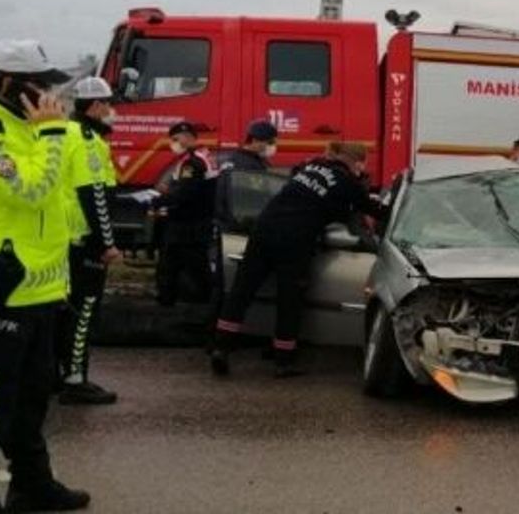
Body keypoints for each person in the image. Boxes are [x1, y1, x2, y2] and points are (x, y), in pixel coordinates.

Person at [0, 39, 90, 513]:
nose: (51, 95)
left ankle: (31, 484)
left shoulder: (24, 128)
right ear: (8, 84)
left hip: (39, 290)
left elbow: (56, 203)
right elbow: (29, 191)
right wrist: (52, 135)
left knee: (30, 402)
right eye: (41, 85)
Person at [210, 141, 378, 378]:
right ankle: (283, 361)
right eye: (363, 163)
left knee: (241, 291)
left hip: (264, 230)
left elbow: (299, 179)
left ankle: (221, 348)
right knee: (289, 300)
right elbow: (368, 209)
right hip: (294, 241)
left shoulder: (312, 166)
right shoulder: (348, 183)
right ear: (357, 162)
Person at [56, 77, 122, 406]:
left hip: (62, 237)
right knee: (83, 312)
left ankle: (59, 373)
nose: (111, 111)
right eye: (108, 104)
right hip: (84, 240)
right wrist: (107, 243)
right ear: (95, 106)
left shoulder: (64, 133)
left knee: (64, 310)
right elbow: (93, 195)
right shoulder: (88, 141)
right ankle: (75, 378)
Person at [153, 121, 217, 307]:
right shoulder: (203, 156)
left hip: (187, 225)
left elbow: (185, 194)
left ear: (188, 137)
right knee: (196, 265)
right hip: (198, 223)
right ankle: (200, 302)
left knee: (170, 264)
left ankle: (168, 305)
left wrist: (157, 200)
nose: (173, 143)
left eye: (175, 139)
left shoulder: (192, 162)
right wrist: (170, 189)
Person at [214, 119, 278, 229]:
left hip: (223, 220)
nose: (272, 146)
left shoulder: (233, 158)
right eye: (270, 142)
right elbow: (259, 197)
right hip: (239, 224)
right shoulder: (251, 166)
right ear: (255, 141)